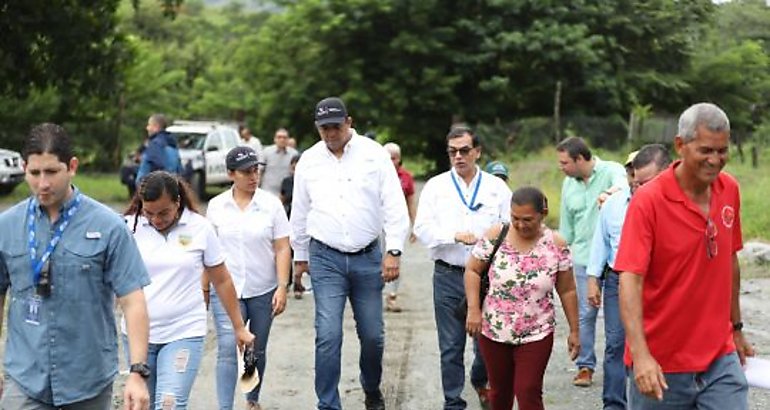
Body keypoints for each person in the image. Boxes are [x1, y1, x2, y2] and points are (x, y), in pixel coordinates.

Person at [0, 123, 151, 409]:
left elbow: (133, 301)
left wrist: (137, 372)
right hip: (25, 380)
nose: (43, 184)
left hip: (88, 382)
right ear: (23, 168)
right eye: (34, 173)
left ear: (72, 166)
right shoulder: (6, 226)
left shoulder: (109, 227)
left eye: (52, 172)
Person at [615, 103, 755, 409]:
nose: (715, 160)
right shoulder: (648, 202)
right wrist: (640, 355)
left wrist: (737, 328)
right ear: (680, 145)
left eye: (722, 151)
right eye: (706, 150)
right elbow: (630, 280)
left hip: (720, 358)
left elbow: (729, 260)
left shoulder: (729, 189)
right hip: (661, 366)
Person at [290, 96, 409, 410]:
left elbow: (394, 205)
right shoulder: (309, 161)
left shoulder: (374, 155)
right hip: (325, 257)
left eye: (335, 126)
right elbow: (299, 212)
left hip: (367, 255)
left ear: (349, 123)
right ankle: (328, 403)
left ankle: (371, 388)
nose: (330, 133)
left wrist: (394, 250)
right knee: (327, 334)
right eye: (323, 128)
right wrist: (300, 259)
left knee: (372, 335)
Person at [125, 171, 255, 409]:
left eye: (163, 212)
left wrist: (238, 327)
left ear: (177, 202)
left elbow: (222, 280)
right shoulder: (128, 227)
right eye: (149, 213)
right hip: (138, 335)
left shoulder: (200, 227)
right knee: (144, 404)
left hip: (183, 330)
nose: (156, 219)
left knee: (169, 404)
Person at [414, 125, 512, 410]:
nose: (458, 157)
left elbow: (511, 226)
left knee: (487, 344)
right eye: (452, 152)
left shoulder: (496, 188)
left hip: (487, 277)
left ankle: (481, 380)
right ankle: (453, 402)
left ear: (477, 152)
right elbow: (422, 228)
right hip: (448, 273)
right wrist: (453, 235)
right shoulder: (436, 186)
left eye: (464, 151)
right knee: (451, 345)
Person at [465, 186, 579, 410]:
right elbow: (472, 271)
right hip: (494, 330)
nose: (520, 224)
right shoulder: (496, 235)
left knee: (528, 391)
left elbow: (567, 290)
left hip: (537, 331)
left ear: (542, 214)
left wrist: (575, 330)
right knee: (500, 393)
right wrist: (473, 310)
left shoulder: (556, 244)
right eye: (515, 218)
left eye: (528, 219)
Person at [206, 146, 292, 410]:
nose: (253, 176)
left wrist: (282, 286)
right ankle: (225, 407)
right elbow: (208, 252)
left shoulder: (271, 205)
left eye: (256, 170)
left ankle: (251, 399)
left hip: (263, 288)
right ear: (231, 173)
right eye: (246, 172)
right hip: (226, 290)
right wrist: (203, 290)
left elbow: (281, 248)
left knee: (254, 348)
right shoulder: (217, 206)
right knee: (228, 348)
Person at [586, 144, 671, 410]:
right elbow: (601, 242)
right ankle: (614, 404)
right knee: (616, 343)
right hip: (617, 280)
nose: (636, 181)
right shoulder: (613, 204)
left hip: (657, 281)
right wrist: (593, 279)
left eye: (643, 177)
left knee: (657, 341)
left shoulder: (668, 203)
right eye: (632, 173)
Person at [555, 136, 627, 387]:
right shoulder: (568, 184)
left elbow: (625, 185)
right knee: (586, 313)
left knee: (619, 314)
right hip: (584, 259)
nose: (561, 167)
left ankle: (622, 363)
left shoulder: (612, 170)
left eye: (565, 162)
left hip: (616, 259)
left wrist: (609, 194)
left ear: (580, 159)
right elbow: (566, 228)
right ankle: (585, 366)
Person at [382, 142, 417, 313]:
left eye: (394, 158)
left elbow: (411, 202)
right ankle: (376, 294)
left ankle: (392, 295)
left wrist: (414, 225)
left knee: (394, 257)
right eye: (388, 158)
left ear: (399, 159)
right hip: (378, 224)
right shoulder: (375, 174)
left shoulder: (405, 177)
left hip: (397, 224)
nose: (391, 161)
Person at [136, 113, 183, 186]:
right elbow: (180, 170)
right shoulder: (172, 144)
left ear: (156, 127)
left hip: (153, 191)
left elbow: (157, 165)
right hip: (171, 189)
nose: (147, 128)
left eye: (149, 125)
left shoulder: (155, 144)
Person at [261, 128, 299, 197]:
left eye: (284, 137)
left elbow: (297, 173)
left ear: (288, 139)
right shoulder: (266, 152)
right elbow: (260, 171)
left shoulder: (294, 154)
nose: (282, 140)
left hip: (286, 193)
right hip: (267, 191)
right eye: (279, 137)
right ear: (275, 139)